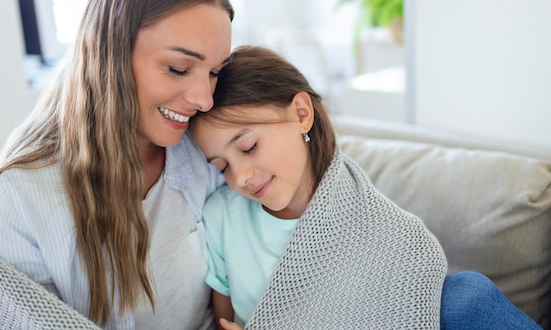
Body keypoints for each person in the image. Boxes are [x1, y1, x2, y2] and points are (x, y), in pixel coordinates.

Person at [0, 0, 233, 329]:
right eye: (178, 68)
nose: (204, 99)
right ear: (110, 51)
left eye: (215, 71)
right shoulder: (16, 203)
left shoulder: (209, 153)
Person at [189, 45, 542, 330]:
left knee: (467, 296)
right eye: (221, 168)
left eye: (249, 147)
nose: (241, 177)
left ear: (300, 114)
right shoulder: (222, 216)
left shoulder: (368, 219)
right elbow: (226, 322)